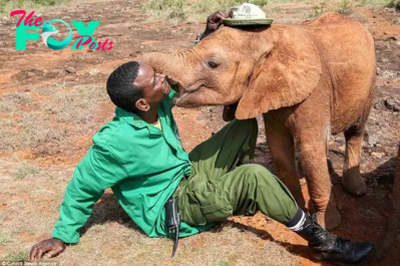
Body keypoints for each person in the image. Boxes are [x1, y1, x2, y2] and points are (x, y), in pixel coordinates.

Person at [29, 11, 375, 265]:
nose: (164, 78)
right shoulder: (115, 143)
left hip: (183, 177)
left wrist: (206, 34)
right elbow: (82, 186)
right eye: (156, 79)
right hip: (171, 210)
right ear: (140, 101)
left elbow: (190, 69)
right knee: (255, 176)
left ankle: (228, 192)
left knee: (242, 125)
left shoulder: (155, 105)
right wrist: (63, 234)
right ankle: (323, 242)